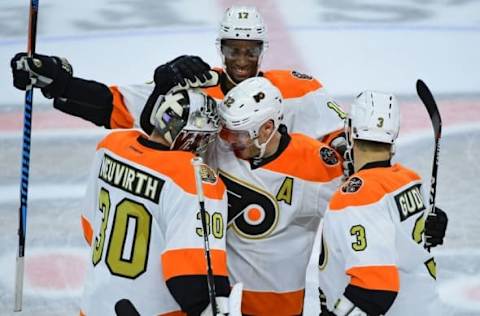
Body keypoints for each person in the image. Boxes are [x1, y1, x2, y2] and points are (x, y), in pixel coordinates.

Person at [10, 5, 345, 145]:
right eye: (233, 49)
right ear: (221, 49)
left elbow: (340, 142)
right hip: (201, 223)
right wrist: (59, 83)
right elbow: (113, 105)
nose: (242, 59)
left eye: (250, 50)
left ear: (263, 49)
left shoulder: (298, 90)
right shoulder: (195, 87)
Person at [78, 88, 238, 315]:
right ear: (187, 136)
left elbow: (90, 228)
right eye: (202, 137)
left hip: (95, 303)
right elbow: (193, 281)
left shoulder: (110, 145)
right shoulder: (195, 179)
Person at [208, 76, 344, 315]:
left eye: (239, 134)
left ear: (267, 128)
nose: (229, 141)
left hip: (278, 307)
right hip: (215, 300)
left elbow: (360, 218)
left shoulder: (316, 166)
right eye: (227, 131)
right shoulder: (220, 144)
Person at [317, 91, 448, 316]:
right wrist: (436, 221)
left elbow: (375, 290)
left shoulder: (356, 195)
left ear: (350, 131)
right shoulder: (408, 178)